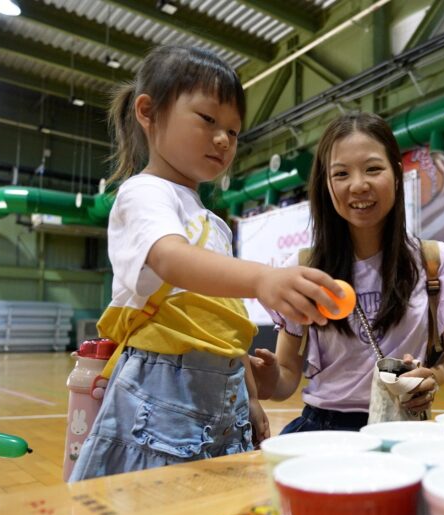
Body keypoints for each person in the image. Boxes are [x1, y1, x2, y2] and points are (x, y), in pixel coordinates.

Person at [69, 46, 345, 481]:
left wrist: (249, 394)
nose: (223, 140)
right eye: (208, 120)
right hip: (163, 389)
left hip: (223, 392)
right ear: (148, 112)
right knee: (153, 501)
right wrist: (263, 278)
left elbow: (222, 325)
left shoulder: (213, 222)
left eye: (233, 131)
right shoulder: (145, 192)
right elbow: (170, 258)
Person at [251, 112, 444, 432]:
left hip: (404, 427)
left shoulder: (436, 262)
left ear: (396, 174)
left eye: (373, 169)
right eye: (341, 173)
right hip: (324, 428)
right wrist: (269, 378)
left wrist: (433, 377)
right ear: (326, 184)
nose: (358, 185)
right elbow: (287, 376)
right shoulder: (302, 270)